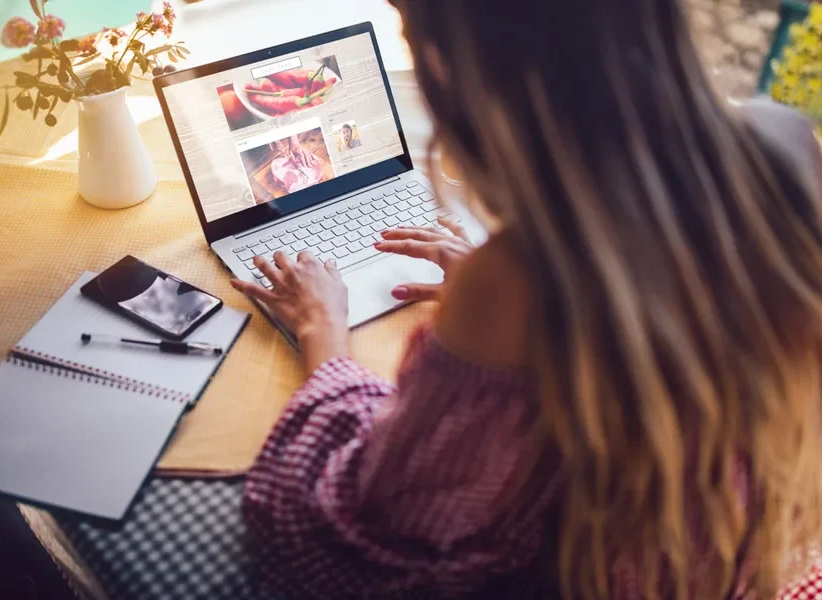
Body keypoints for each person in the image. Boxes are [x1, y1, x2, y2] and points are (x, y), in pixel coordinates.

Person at [232, 0, 822, 598]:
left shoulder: (516, 276)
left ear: (469, 67)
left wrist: (324, 330)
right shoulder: (787, 145)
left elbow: (387, 519)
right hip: (752, 556)